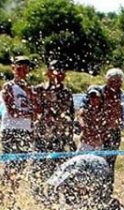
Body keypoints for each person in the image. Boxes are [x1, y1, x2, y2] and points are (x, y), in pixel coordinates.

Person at [31, 59, 75, 190]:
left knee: (58, 167)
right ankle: (36, 192)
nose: (59, 75)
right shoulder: (38, 90)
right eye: (56, 71)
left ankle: (52, 192)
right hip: (41, 134)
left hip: (59, 136)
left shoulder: (66, 92)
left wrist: (70, 137)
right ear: (48, 73)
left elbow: (70, 115)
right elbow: (34, 111)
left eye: (62, 72)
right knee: (38, 166)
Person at [0, 55, 35, 203]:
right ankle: (2, 195)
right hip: (11, 129)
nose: (22, 71)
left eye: (25, 68)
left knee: (20, 165)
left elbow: (36, 109)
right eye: (19, 68)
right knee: (9, 164)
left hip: (25, 129)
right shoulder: (9, 86)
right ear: (14, 68)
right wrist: (29, 113)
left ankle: (12, 196)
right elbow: (12, 111)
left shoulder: (30, 88)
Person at [101, 68, 124, 171]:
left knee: (110, 164)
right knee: (98, 161)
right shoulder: (98, 92)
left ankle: (109, 185)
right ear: (106, 80)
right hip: (99, 132)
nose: (115, 84)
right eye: (112, 81)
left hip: (115, 132)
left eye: (118, 81)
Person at [77, 86, 107, 151]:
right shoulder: (85, 110)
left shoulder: (104, 111)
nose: (93, 99)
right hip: (85, 143)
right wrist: (82, 124)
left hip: (98, 144)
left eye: (96, 97)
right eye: (91, 96)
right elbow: (80, 115)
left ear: (100, 98)